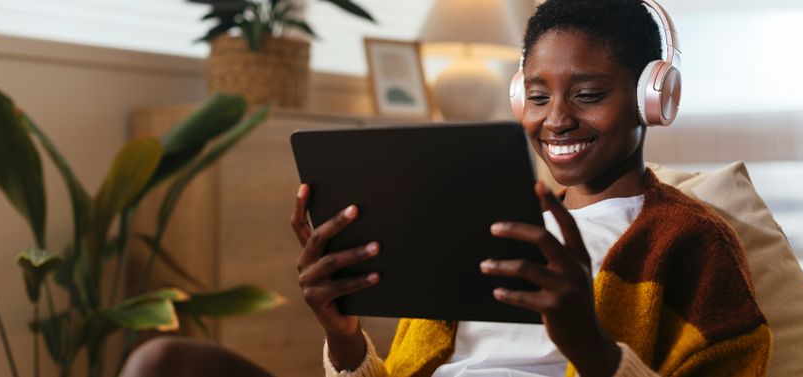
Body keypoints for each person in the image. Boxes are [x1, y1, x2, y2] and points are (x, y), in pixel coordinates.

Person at [291, 0, 772, 376]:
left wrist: (590, 345)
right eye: (538, 97)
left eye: (588, 95)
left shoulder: (689, 242)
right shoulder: (478, 226)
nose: (557, 120)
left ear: (654, 98)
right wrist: (344, 336)